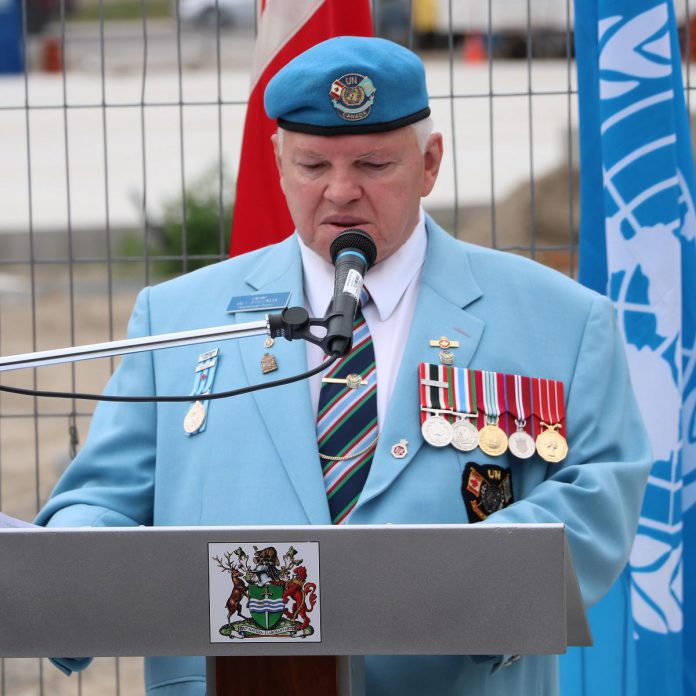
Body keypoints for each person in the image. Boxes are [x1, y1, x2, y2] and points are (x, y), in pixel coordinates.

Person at [36, 36, 651, 695]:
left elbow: (600, 491)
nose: (339, 191)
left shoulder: (559, 319)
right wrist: (64, 570)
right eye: (311, 165)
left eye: (373, 163)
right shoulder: (181, 317)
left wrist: (456, 582)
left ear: (431, 163)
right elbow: (101, 500)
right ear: (276, 162)